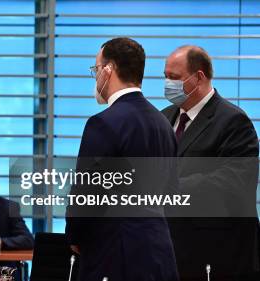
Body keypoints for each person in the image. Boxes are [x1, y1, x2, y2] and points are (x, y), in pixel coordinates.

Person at [65, 37, 179, 281]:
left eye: (96, 69)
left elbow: (88, 191)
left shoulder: (102, 123)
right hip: (159, 251)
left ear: (109, 69)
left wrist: (74, 236)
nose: (95, 77)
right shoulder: (164, 124)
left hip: (114, 253)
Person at [162, 45, 259, 281]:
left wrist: (172, 189)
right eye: (165, 77)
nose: (167, 84)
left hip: (216, 257)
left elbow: (233, 182)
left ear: (199, 77)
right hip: (169, 252)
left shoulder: (233, 120)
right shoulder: (164, 117)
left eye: (174, 78)